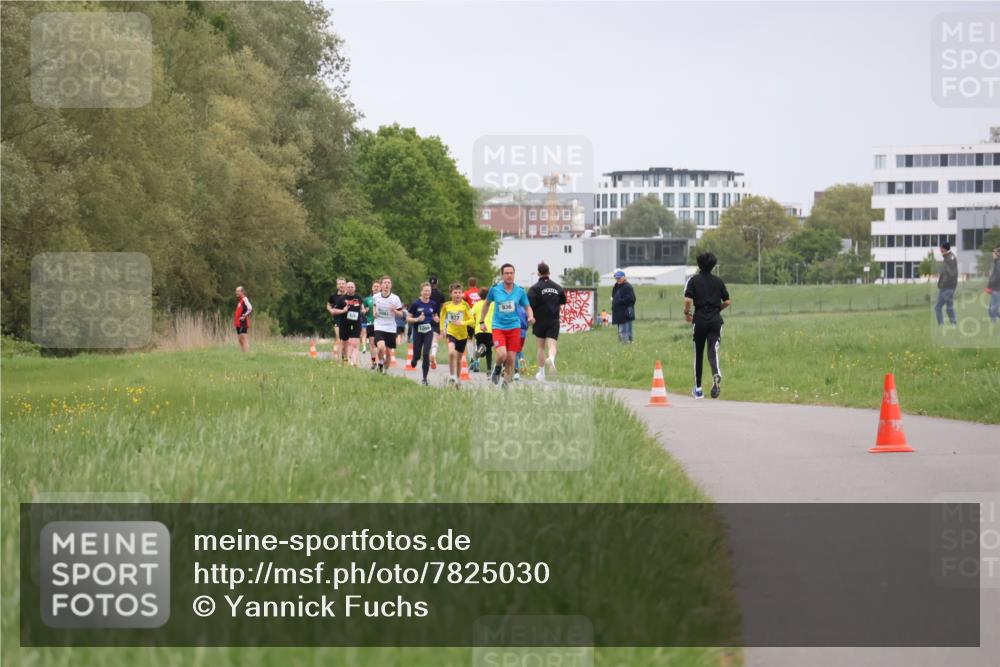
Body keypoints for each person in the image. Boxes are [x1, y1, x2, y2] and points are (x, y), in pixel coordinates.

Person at [684, 252, 731, 399]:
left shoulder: (693, 280)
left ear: (699, 265)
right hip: (715, 321)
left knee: (698, 353)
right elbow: (728, 301)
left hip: (699, 320)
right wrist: (718, 308)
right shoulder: (718, 281)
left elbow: (687, 300)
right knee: (713, 350)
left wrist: (687, 312)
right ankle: (716, 374)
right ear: (713, 265)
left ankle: (698, 389)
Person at [480, 263, 534, 388]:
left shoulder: (520, 291)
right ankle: (497, 367)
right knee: (502, 355)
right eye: (506, 273)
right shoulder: (495, 289)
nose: (509, 275)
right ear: (502, 275)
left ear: (514, 274)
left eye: (511, 273)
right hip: (498, 327)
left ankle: (505, 383)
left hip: (514, 327)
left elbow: (527, 306)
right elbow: (486, 304)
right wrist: (482, 321)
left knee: (511, 358)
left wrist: (530, 316)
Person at [527, 262, 566, 381]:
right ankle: (552, 358)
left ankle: (541, 373)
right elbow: (563, 301)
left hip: (539, 320)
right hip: (553, 320)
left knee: (540, 347)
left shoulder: (534, 288)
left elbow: (529, 304)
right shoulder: (558, 287)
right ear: (549, 272)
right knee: (552, 344)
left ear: (538, 273)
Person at [440, 282, 475, 386]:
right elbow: (442, 317)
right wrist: (442, 329)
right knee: (451, 353)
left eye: (459, 293)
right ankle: (452, 376)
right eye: (455, 293)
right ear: (451, 294)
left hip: (463, 335)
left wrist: (462, 322)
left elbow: (472, 320)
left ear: (462, 294)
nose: (457, 295)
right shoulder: (446, 306)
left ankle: (458, 379)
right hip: (451, 333)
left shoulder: (465, 305)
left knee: (459, 360)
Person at [407, 282, 440, 385]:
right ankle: (414, 359)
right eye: (425, 291)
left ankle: (424, 378)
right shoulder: (415, 304)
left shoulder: (433, 304)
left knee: (426, 354)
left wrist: (436, 318)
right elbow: (408, 319)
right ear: (421, 291)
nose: (427, 293)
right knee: (417, 355)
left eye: (429, 291)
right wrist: (417, 319)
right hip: (417, 331)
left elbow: (435, 315)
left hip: (428, 330)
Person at [371, 276, 406, 373]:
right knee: (381, 347)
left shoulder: (395, 298)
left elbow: (401, 314)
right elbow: (374, 305)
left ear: (391, 285)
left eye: (388, 283)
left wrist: (394, 310)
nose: (386, 284)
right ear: (381, 285)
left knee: (389, 354)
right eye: (385, 282)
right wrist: (374, 312)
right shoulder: (376, 296)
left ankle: (385, 370)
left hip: (390, 327)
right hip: (379, 325)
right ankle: (381, 362)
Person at [331, 281, 365, 366]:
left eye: (352, 287)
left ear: (355, 288)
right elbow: (333, 311)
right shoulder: (341, 299)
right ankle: (345, 359)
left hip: (356, 323)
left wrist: (363, 310)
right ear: (346, 288)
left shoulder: (358, 297)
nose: (350, 288)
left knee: (355, 343)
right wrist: (343, 310)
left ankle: (355, 362)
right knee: (344, 344)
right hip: (344, 323)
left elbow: (362, 307)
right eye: (348, 287)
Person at [469, 287, 493, 372]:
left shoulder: (477, 304)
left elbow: (470, 314)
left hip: (479, 330)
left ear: (479, 295)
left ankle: (481, 349)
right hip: (490, 330)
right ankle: (489, 369)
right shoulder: (492, 304)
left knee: (480, 346)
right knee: (489, 350)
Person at [935, 242, 958, 326]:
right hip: (949, 286)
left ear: (944, 248)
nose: (940, 249)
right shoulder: (948, 257)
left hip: (947, 287)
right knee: (949, 307)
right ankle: (954, 324)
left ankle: (941, 325)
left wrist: (942, 284)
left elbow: (950, 274)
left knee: (938, 307)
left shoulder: (950, 259)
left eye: (940, 248)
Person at [611, 270, 636, 343]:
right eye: (616, 278)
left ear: (624, 277)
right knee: (620, 329)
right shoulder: (616, 286)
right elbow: (613, 297)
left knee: (626, 329)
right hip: (617, 311)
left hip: (626, 311)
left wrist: (620, 301)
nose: (618, 279)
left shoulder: (628, 286)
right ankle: (623, 342)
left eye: (619, 278)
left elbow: (632, 299)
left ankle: (627, 342)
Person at [326, 277, 347, 361]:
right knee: (339, 339)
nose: (341, 285)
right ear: (337, 285)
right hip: (337, 320)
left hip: (349, 321)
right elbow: (328, 305)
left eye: (343, 284)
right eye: (339, 284)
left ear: (345, 285)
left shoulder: (349, 295)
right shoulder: (333, 297)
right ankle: (337, 359)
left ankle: (344, 357)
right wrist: (330, 310)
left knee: (346, 341)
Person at [428, 276, 446, 369]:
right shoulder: (440, 294)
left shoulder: (426, 293)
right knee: (435, 338)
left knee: (427, 338)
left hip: (427, 317)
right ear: (437, 283)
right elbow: (443, 306)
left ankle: (429, 357)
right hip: (437, 317)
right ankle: (433, 355)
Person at [362, 281, 378, 368]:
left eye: (377, 286)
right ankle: (373, 362)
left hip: (381, 324)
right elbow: (363, 310)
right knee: (372, 343)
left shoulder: (383, 299)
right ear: (372, 288)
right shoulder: (367, 299)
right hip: (370, 323)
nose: (376, 288)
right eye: (374, 286)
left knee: (379, 343)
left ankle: (380, 360)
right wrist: (365, 311)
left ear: (380, 288)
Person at [233, 285, 252, 353]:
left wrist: (244, 316)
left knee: (244, 339)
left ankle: (247, 354)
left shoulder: (245, 299)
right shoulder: (240, 301)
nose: (236, 292)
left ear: (242, 292)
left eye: (238, 291)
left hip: (243, 322)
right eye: (236, 291)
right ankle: (243, 353)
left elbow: (250, 308)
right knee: (240, 340)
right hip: (238, 323)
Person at [988, 246, 1000, 324]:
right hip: (994, 289)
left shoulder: (998, 263)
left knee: (993, 308)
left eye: (994, 252)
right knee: (990, 309)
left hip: (997, 289)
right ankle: (993, 322)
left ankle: (993, 323)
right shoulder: (996, 263)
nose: (993, 254)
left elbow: (997, 276)